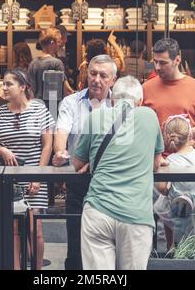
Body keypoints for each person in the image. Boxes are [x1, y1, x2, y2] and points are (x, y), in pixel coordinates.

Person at [73, 76, 163, 269]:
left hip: (98, 210)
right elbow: (157, 163)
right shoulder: (149, 115)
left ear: (113, 100)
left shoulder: (95, 116)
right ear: (140, 101)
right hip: (136, 214)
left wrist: (94, 160)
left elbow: (77, 162)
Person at [52, 54, 116, 270]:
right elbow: (62, 131)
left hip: (110, 184)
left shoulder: (120, 105)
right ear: (86, 75)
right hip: (78, 181)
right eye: (93, 73)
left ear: (113, 80)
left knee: (106, 245)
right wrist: (60, 152)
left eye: (103, 75)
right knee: (75, 243)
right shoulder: (71, 102)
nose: (97, 79)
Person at [0, 69, 55, 270]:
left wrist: (37, 176)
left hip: (34, 177)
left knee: (34, 228)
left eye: (9, 84)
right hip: (9, 179)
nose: (4, 88)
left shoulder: (40, 110)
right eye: (3, 84)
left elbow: (47, 146)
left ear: (23, 87)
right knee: (13, 229)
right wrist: (1, 150)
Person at [143, 38, 195, 155]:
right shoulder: (145, 88)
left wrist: (185, 133)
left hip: (189, 160)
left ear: (177, 60)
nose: (158, 67)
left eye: (163, 63)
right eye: (155, 62)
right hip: (158, 159)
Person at [154, 114, 195, 249]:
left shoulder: (170, 160)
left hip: (179, 213)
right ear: (190, 135)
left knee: (161, 203)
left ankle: (170, 246)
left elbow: (161, 188)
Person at [27, 27, 74, 115]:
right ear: (52, 43)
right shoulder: (56, 63)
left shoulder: (33, 63)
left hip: (36, 111)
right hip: (52, 110)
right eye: (59, 41)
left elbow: (30, 90)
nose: (60, 44)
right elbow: (67, 90)